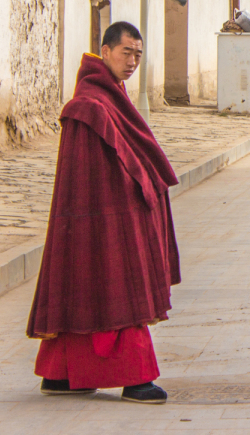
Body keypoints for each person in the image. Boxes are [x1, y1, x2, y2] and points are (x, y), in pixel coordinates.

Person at [27, 22, 179, 404]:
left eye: (138, 55)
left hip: (105, 213)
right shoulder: (87, 106)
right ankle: (135, 378)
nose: (131, 62)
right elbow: (91, 174)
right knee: (120, 285)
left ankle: (62, 375)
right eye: (126, 52)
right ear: (105, 51)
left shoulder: (110, 97)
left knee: (83, 285)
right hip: (103, 216)